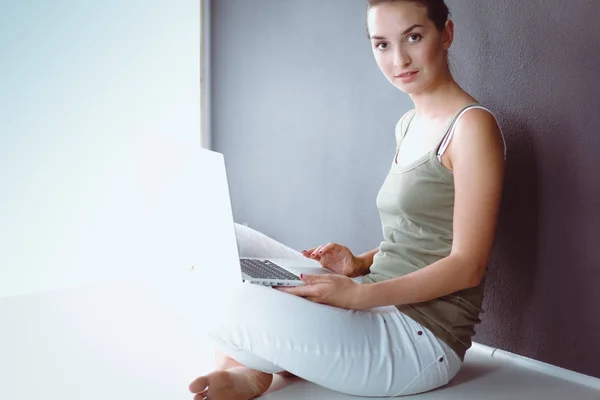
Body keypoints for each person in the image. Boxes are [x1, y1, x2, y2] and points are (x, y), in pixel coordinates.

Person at [189, 0, 506, 398]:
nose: (399, 59)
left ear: (446, 34)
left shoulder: (472, 127)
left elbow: (467, 265)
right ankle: (249, 367)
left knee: (224, 300)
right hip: (373, 297)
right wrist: (358, 264)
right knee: (220, 242)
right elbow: (417, 237)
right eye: (382, 44)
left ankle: (255, 366)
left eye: (413, 37)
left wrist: (360, 294)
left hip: (418, 340)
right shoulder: (408, 124)